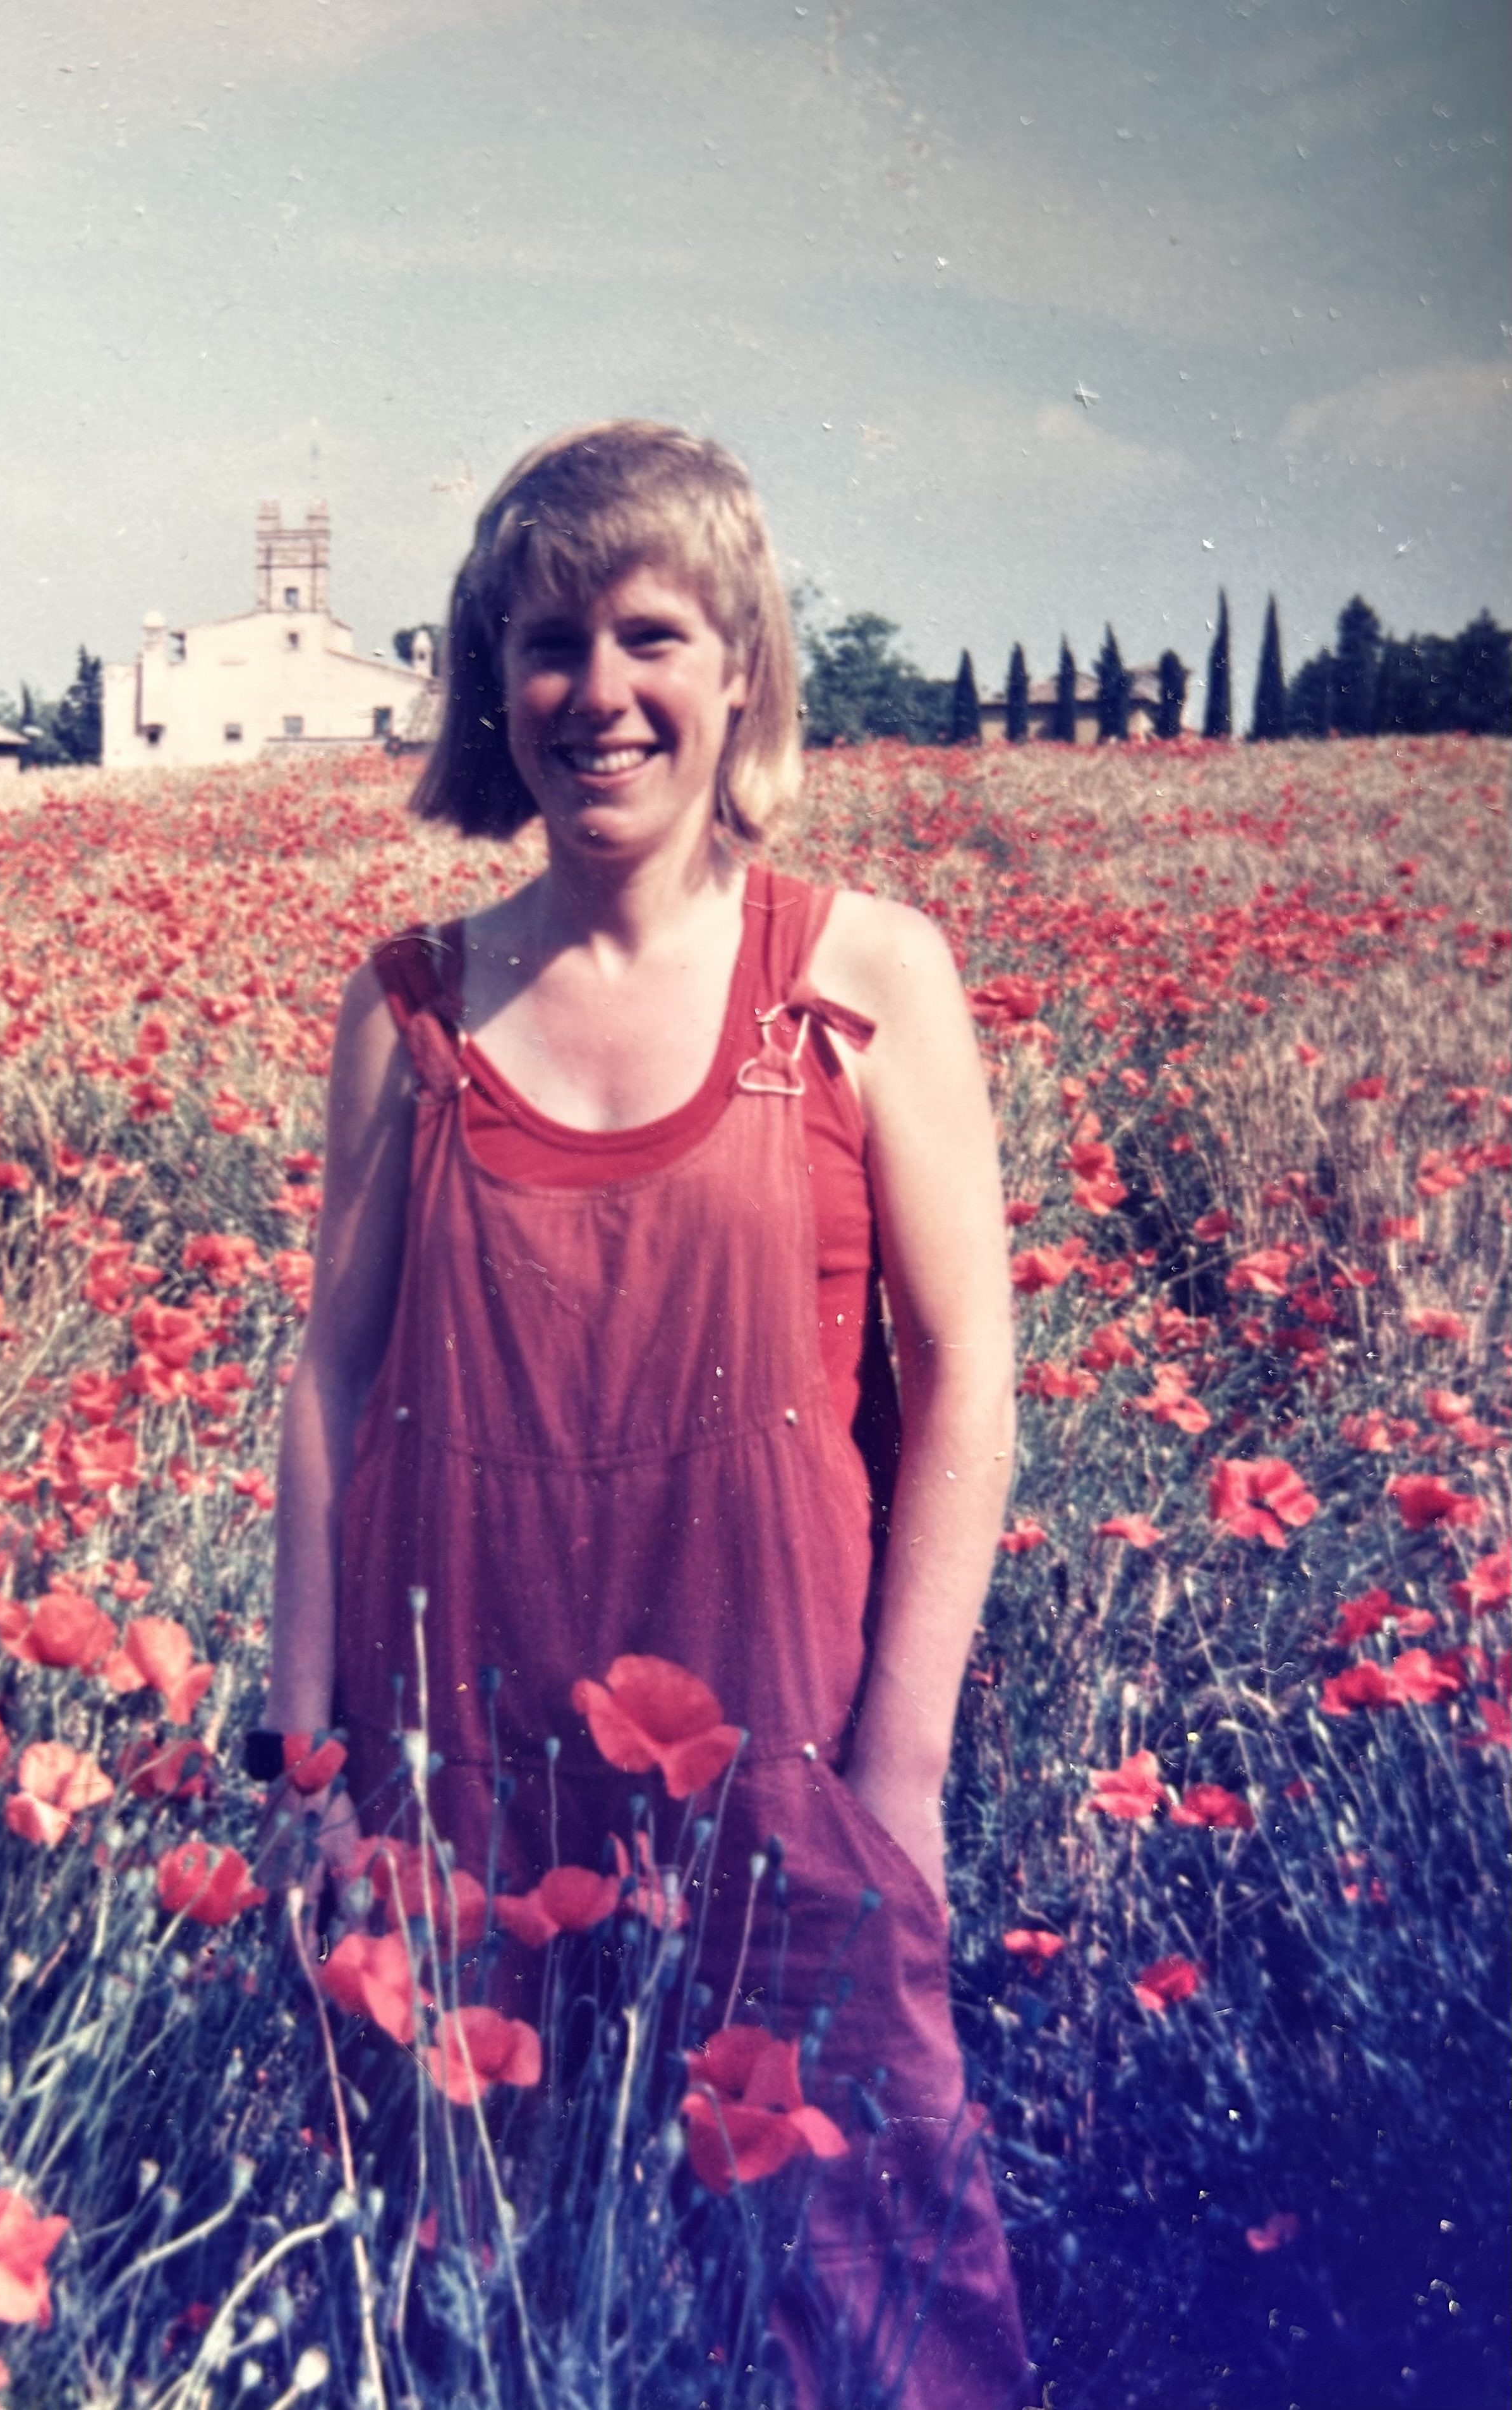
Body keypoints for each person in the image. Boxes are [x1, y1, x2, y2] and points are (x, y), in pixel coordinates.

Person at [269, 422, 1027, 2407]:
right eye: (543, 645)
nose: (594, 694)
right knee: (486, 2305)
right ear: (485, 687)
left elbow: (967, 1386)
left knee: (853, 2301)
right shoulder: (412, 1006)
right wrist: (311, 1770)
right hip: (465, 1791)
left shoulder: (861, 980)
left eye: (650, 636)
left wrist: (907, 1776)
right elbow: (329, 1387)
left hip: (785, 1787)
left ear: (743, 671)